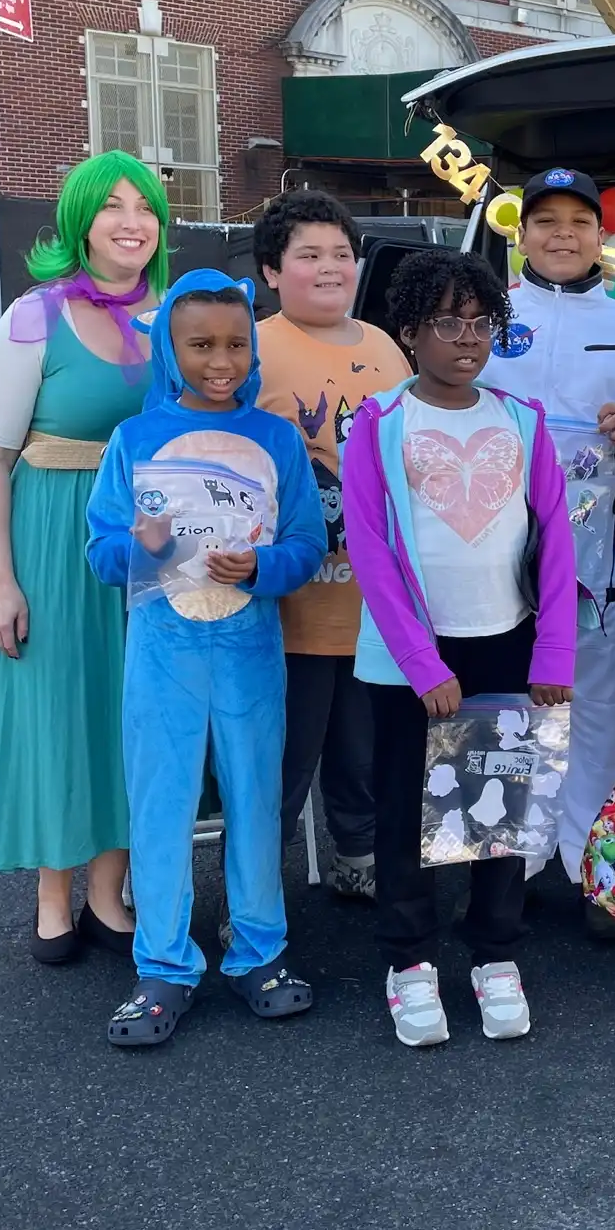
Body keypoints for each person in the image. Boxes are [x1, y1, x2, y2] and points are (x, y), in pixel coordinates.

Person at [84, 270, 327, 1047]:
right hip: (164, 649)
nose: (220, 360)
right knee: (162, 800)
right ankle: (162, 964)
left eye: (235, 343)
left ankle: (259, 949)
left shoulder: (277, 438)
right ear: (169, 347)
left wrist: (262, 568)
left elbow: (307, 544)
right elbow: (100, 552)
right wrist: (142, 546)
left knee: (257, 798)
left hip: (251, 646)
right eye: (200, 345)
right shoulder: (134, 440)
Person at [341, 250, 577, 1048]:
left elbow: (556, 544)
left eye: (481, 323)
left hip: (507, 646)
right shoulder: (379, 423)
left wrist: (554, 655)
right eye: (447, 322)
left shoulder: (522, 420)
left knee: (497, 810)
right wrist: (422, 662)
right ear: (409, 332)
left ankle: (494, 954)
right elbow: (371, 550)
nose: (466, 338)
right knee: (408, 812)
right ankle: (410, 963)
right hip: (415, 661)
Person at [0, 151, 166, 965]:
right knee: (58, 709)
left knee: (133, 712)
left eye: (145, 206)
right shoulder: (33, 317)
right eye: (111, 205)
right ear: (81, 221)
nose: (130, 220)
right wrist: (0, 581)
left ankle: (110, 892)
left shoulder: (176, 317)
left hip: (150, 546)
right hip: (53, 537)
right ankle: (54, 893)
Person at [481, 167, 615, 925]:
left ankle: (594, 867)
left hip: (606, 569)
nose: (562, 234)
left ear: (604, 237)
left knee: (604, 714)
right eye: (545, 220)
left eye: (579, 221)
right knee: (507, 709)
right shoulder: (488, 316)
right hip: (498, 568)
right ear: (520, 232)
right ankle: (511, 869)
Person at [254, 189, 411, 899]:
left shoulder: (383, 344)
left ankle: (357, 856)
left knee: (364, 751)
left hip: (374, 611)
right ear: (271, 271)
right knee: (281, 761)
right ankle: (255, 893)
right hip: (285, 612)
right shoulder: (251, 346)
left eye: (342, 254)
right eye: (308, 254)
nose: (329, 268)